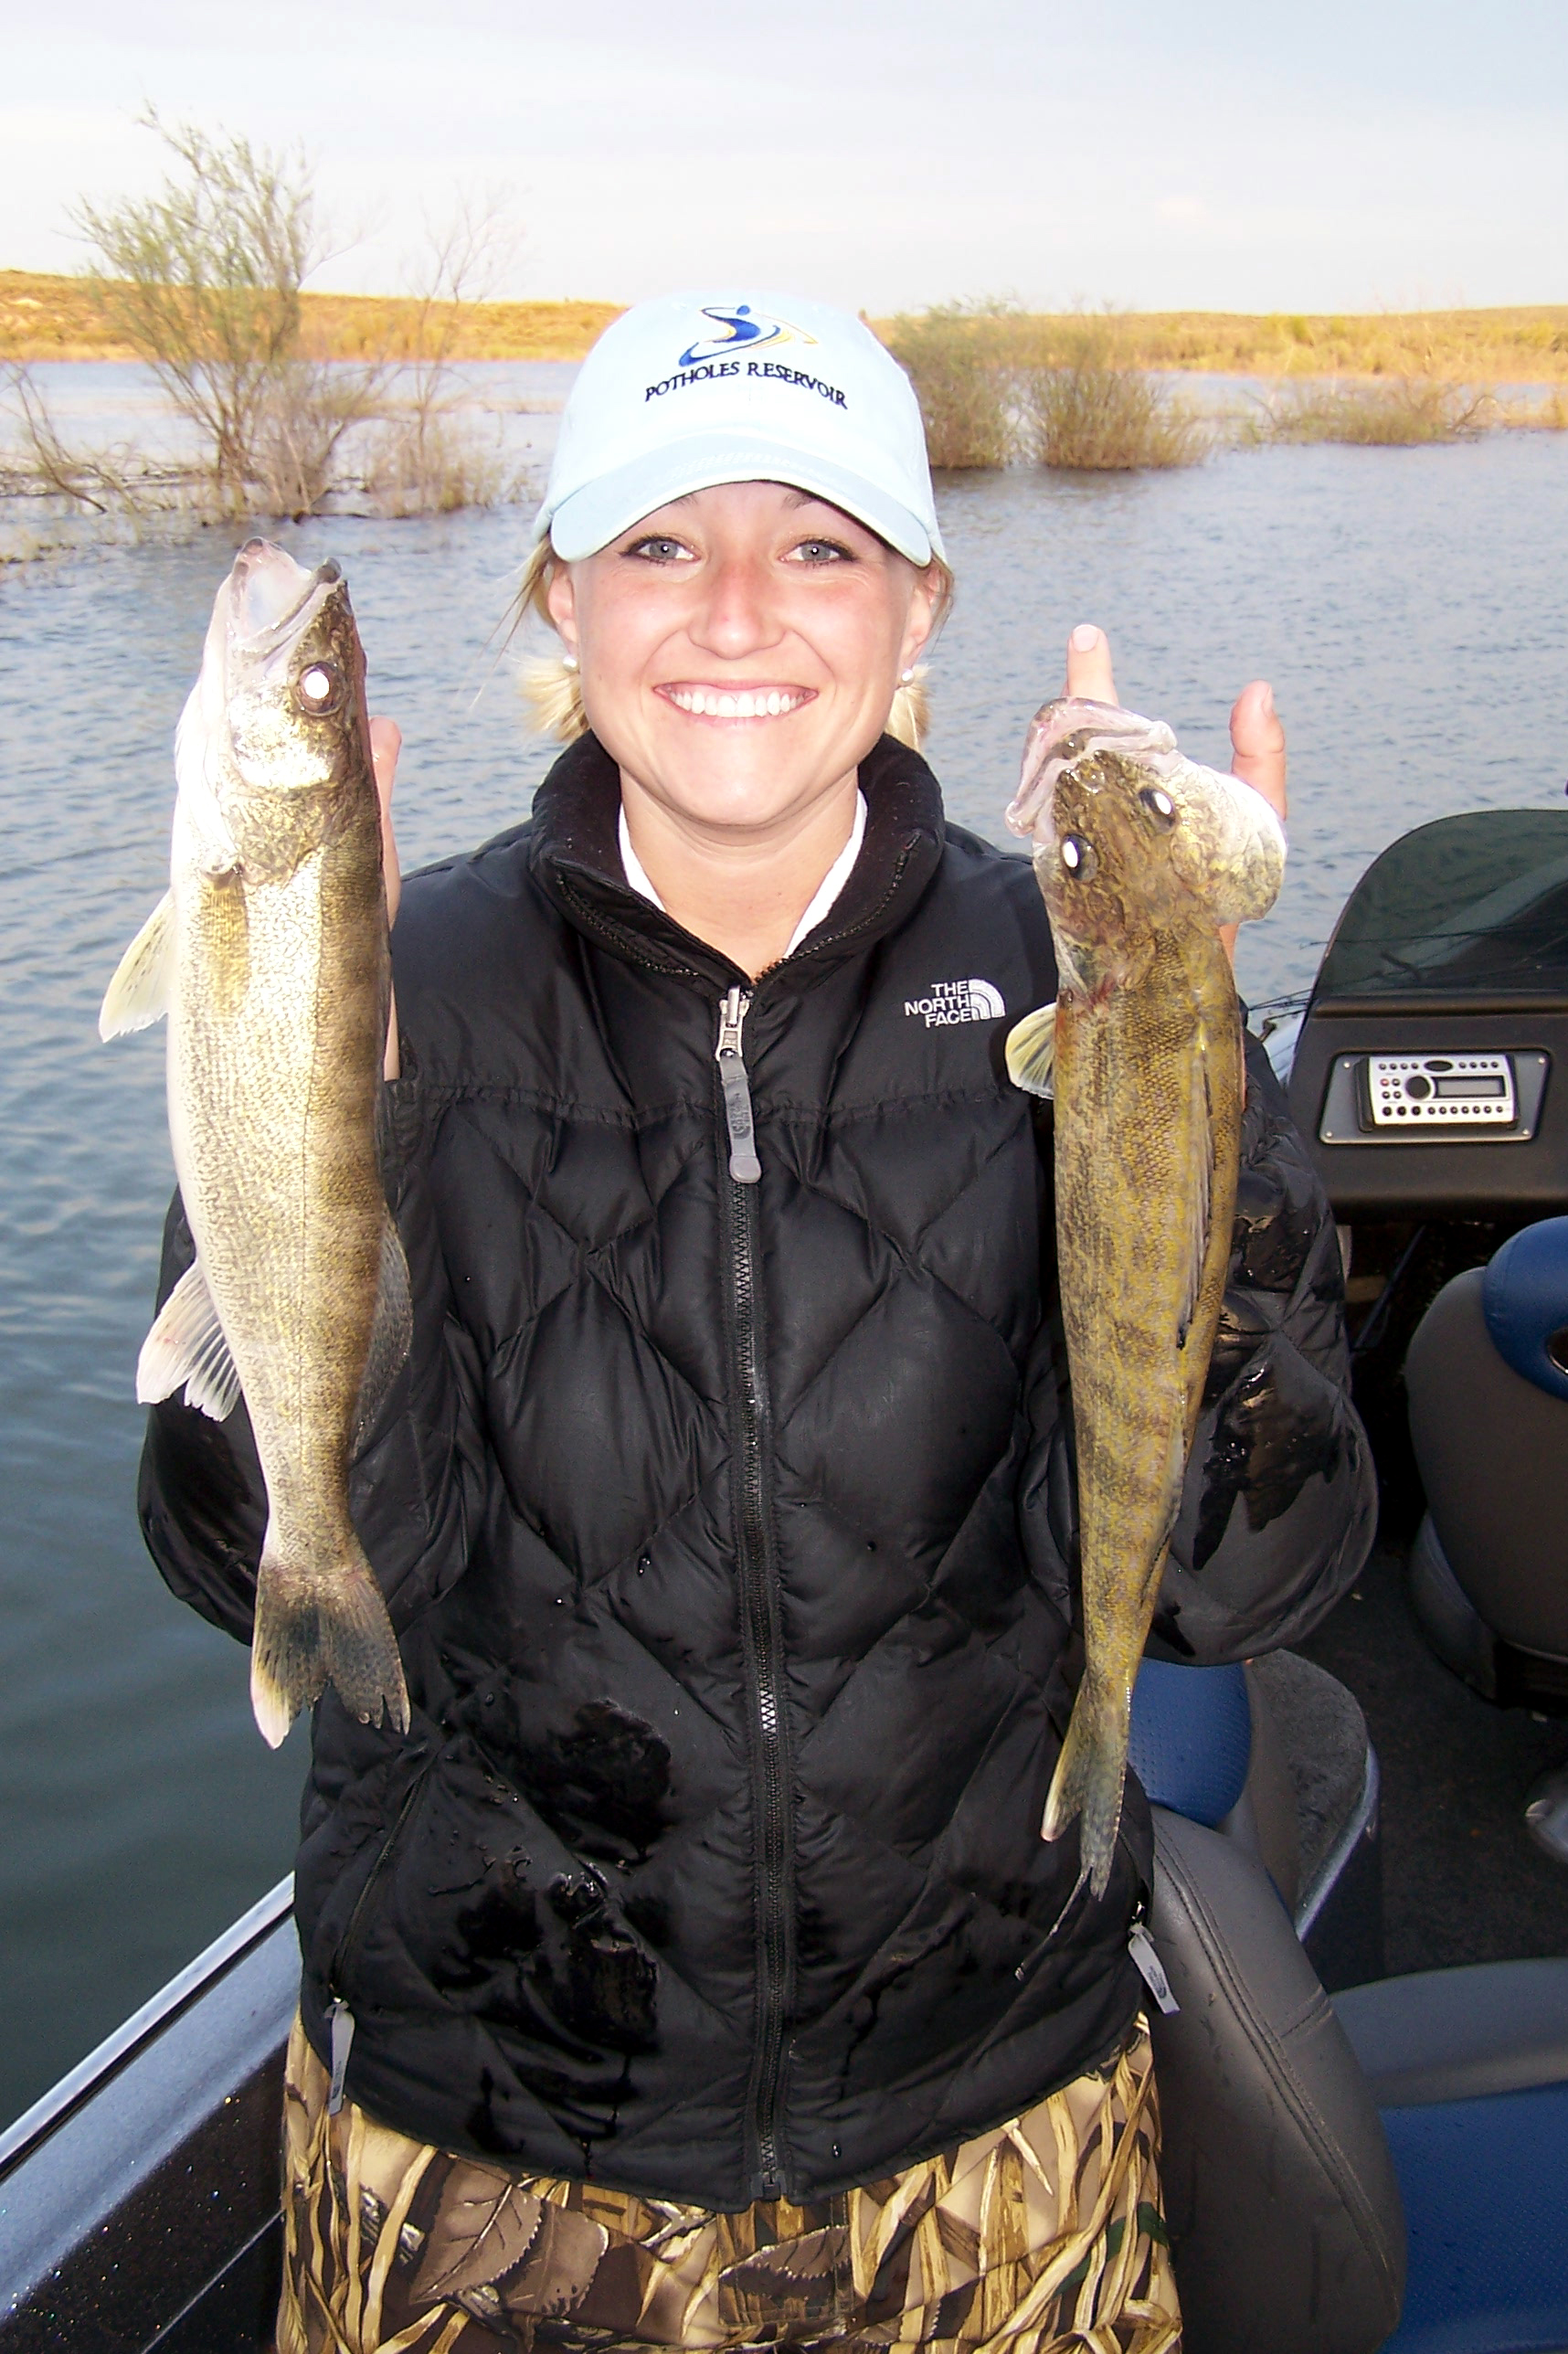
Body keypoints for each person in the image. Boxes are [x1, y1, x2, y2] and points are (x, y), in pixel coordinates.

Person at [140, 291, 1375, 2354]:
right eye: (654, 544)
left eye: (817, 545)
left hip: (994, 2140)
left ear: (920, 611)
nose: (734, 613)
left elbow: (1253, 1577)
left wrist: (1192, 1057)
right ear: (560, 598)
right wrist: (301, 1097)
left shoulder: (1081, 965)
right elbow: (249, 1552)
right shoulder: (395, 975)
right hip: (477, 2158)